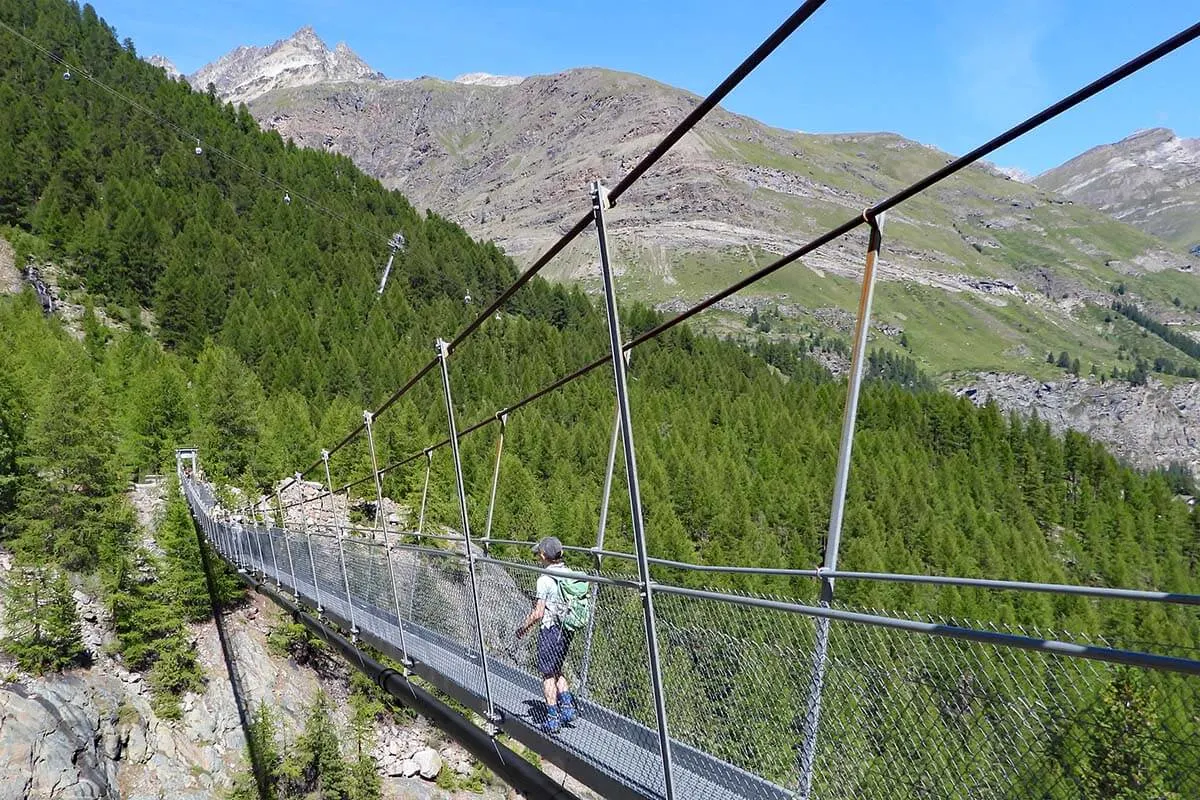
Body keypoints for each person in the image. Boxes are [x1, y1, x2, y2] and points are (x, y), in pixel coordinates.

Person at [516, 535, 578, 733]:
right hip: (566, 629)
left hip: (550, 630)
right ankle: (567, 708)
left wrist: (523, 628)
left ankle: (552, 718)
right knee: (557, 668)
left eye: (538, 555)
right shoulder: (570, 573)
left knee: (547, 674)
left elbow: (538, 613)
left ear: (543, 555)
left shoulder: (544, 580)